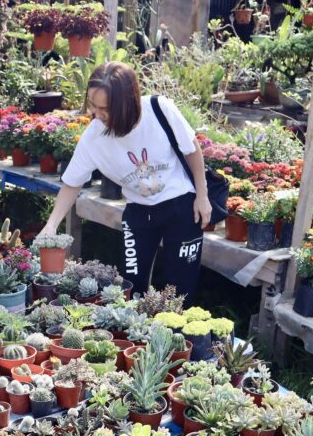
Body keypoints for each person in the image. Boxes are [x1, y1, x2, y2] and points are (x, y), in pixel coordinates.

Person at [38, 61, 211, 302]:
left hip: (180, 206)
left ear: (126, 103)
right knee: (132, 288)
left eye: (104, 108)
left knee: (180, 290)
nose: (96, 114)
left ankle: (180, 337)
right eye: (92, 105)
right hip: (138, 213)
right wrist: (51, 224)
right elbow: (72, 183)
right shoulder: (94, 136)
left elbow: (192, 150)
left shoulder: (159, 109)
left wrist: (202, 196)